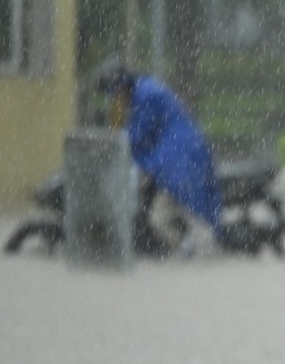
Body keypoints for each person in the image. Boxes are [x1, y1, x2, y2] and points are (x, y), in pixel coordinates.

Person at [96, 58, 225, 243]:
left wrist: (110, 144)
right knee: (176, 208)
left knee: (161, 219)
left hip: (179, 159)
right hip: (184, 155)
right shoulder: (144, 89)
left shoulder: (145, 95)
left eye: (115, 94)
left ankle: (188, 251)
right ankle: (191, 246)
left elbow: (137, 135)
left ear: (120, 87)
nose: (117, 100)